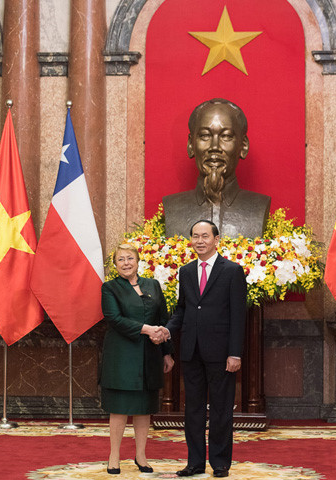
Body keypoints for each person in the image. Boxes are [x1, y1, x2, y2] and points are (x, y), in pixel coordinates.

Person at [163, 220, 248, 478]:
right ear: (190, 240)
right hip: (191, 351)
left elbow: (238, 316)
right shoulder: (186, 271)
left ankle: (220, 463)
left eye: (205, 236)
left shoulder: (232, 271)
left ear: (216, 239)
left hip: (222, 353)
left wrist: (235, 353)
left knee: (221, 410)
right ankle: (195, 463)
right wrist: (167, 329)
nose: (200, 241)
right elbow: (183, 308)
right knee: (193, 410)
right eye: (195, 236)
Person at [100, 243, 174, 475]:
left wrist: (167, 351)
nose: (126, 263)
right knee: (120, 408)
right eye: (120, 259)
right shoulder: (109, 288)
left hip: (150, 355)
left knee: (144, 409)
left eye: (130, 258)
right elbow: (113, 318)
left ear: (138, 260)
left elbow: (164, 318)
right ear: (115, 265)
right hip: (121, 356)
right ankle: (114, 456)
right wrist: (146, 329)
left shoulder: (152, 284)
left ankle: (141, 455)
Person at [163, 98, 270, 239]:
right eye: (205, 136)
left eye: (226, 136)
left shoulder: (259, 206)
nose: (214, 147)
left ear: (243, 146)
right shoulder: (173, 207)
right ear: (191, 145)